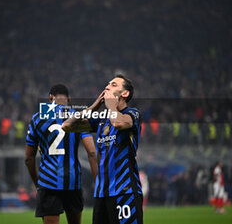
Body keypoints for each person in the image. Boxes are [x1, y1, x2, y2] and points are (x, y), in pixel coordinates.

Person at [62, 75, 143, 224]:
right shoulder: (101, 119)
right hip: (101, 194)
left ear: (124, 93)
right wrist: (94, 107)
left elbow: (118, 123)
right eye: (107, 84)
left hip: (125, 191)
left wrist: (111, 105)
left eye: (113, 85)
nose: (107, 87)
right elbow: (66, 126)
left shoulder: (133, 114)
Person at [25, 84, 97, 224]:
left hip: (48, 181)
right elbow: (92, 153)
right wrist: (98, 181)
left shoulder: (37, 118)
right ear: (68, 99)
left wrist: (37, 182)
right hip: (73, 181)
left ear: (50, 97)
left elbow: (28, 158)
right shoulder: (77, 117)